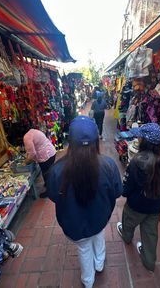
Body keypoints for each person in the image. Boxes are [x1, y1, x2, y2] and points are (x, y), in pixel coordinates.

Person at [46, 116, 122, 288]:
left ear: (70, 143)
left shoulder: (57, 170)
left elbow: (53, 196)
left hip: (75, 224)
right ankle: (100, 263)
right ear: (96, 141)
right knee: (98, 234)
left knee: (84, 247)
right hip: (100, 217)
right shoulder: (109, 165)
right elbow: (117, 192)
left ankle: (88, 281)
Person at [116, 123, 160, 272]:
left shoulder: (137, 161)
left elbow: (127, 188)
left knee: (128, 222)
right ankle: (149, 261)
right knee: (151, 234)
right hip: (156, 206)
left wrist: (124, 192)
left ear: (145, 141)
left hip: (136, 206)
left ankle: (127, 237)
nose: (138, 138)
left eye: (140, 136)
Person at [23, 129, 56, 198]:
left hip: (45, 156)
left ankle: (49, 191)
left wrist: (26, 162)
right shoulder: (33, 131)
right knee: (48, 172)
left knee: (46, 173)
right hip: (51, 152)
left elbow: (32, 153)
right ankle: (49, 184)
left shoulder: (26, 138)